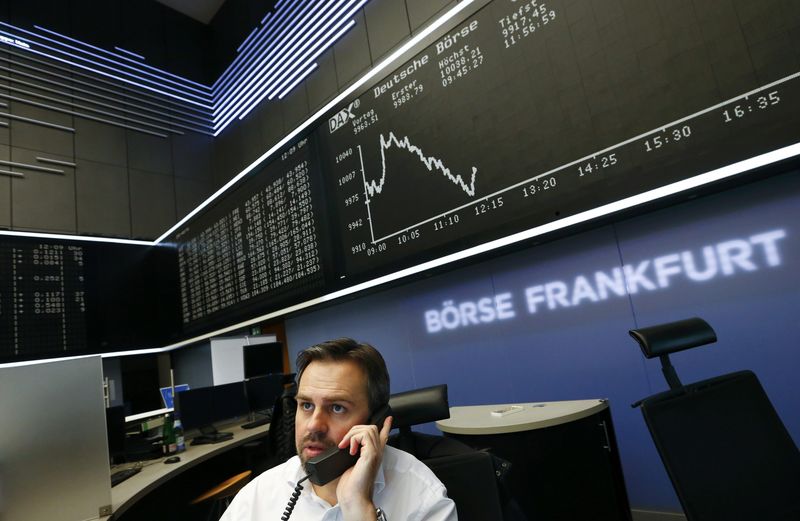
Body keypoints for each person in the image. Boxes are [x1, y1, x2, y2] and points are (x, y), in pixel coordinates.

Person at [220, 338, 457, 521]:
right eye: (306, 405)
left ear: (375, 420)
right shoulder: (257, 498)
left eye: (336, 408)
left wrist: (359, 508)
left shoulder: (421, 496)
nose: (313, 425)